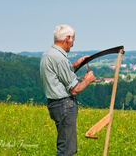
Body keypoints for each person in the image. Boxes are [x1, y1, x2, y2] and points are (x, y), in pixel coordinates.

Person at [40, 24, 95, 156]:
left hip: (55, 104)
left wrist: (76, 65)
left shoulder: (48, 53)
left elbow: (61, 74)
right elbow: (75, 89)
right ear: (67, 38)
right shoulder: (59, 58)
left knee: (65, 146)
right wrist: (87, 80)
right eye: (73, 41)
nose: (72, 44)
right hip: (64, 105)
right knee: (67, 150)